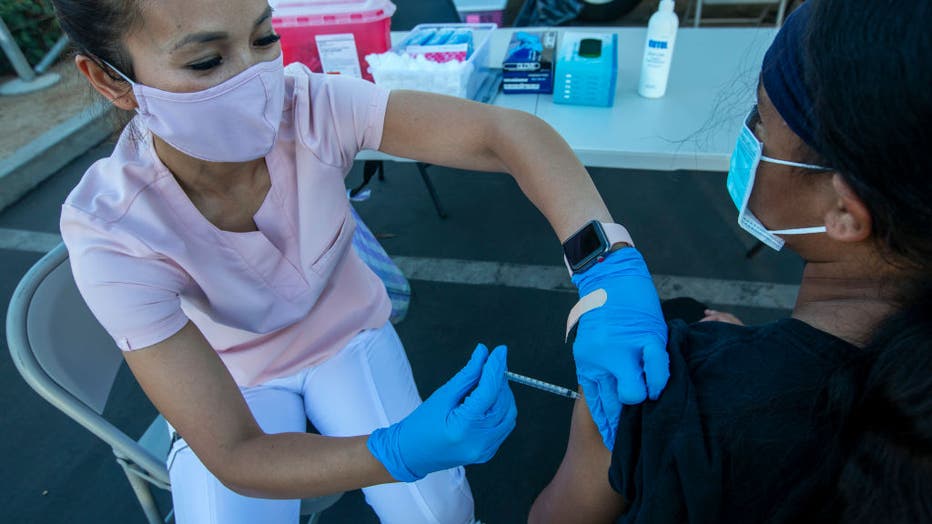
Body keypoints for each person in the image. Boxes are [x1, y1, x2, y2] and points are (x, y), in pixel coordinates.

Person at [52, 0, 670, 522]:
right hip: (233, 379)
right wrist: (396, 450)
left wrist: (606, 265)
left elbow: (507, 133)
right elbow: (236, 453)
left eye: (264, 38)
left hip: (349, 335)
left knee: (433, 509)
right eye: (206, 61)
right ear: (110, 79)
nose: (257, 78)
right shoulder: (111, 232)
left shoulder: (312, 107)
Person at [530, 1, 931, 522]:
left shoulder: (674, 388)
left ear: (845, 211)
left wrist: (591, 416)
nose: (748, 136)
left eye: (761, 121)